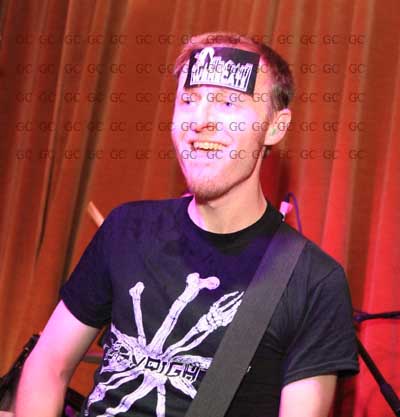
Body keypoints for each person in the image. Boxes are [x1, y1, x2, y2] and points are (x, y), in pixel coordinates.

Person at [15, 32, 359, 417]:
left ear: (275, 127)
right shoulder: (127, 229)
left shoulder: (313, 282)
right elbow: (48, 365)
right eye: (189, 100)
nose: (200, 120)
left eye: (228, 102)